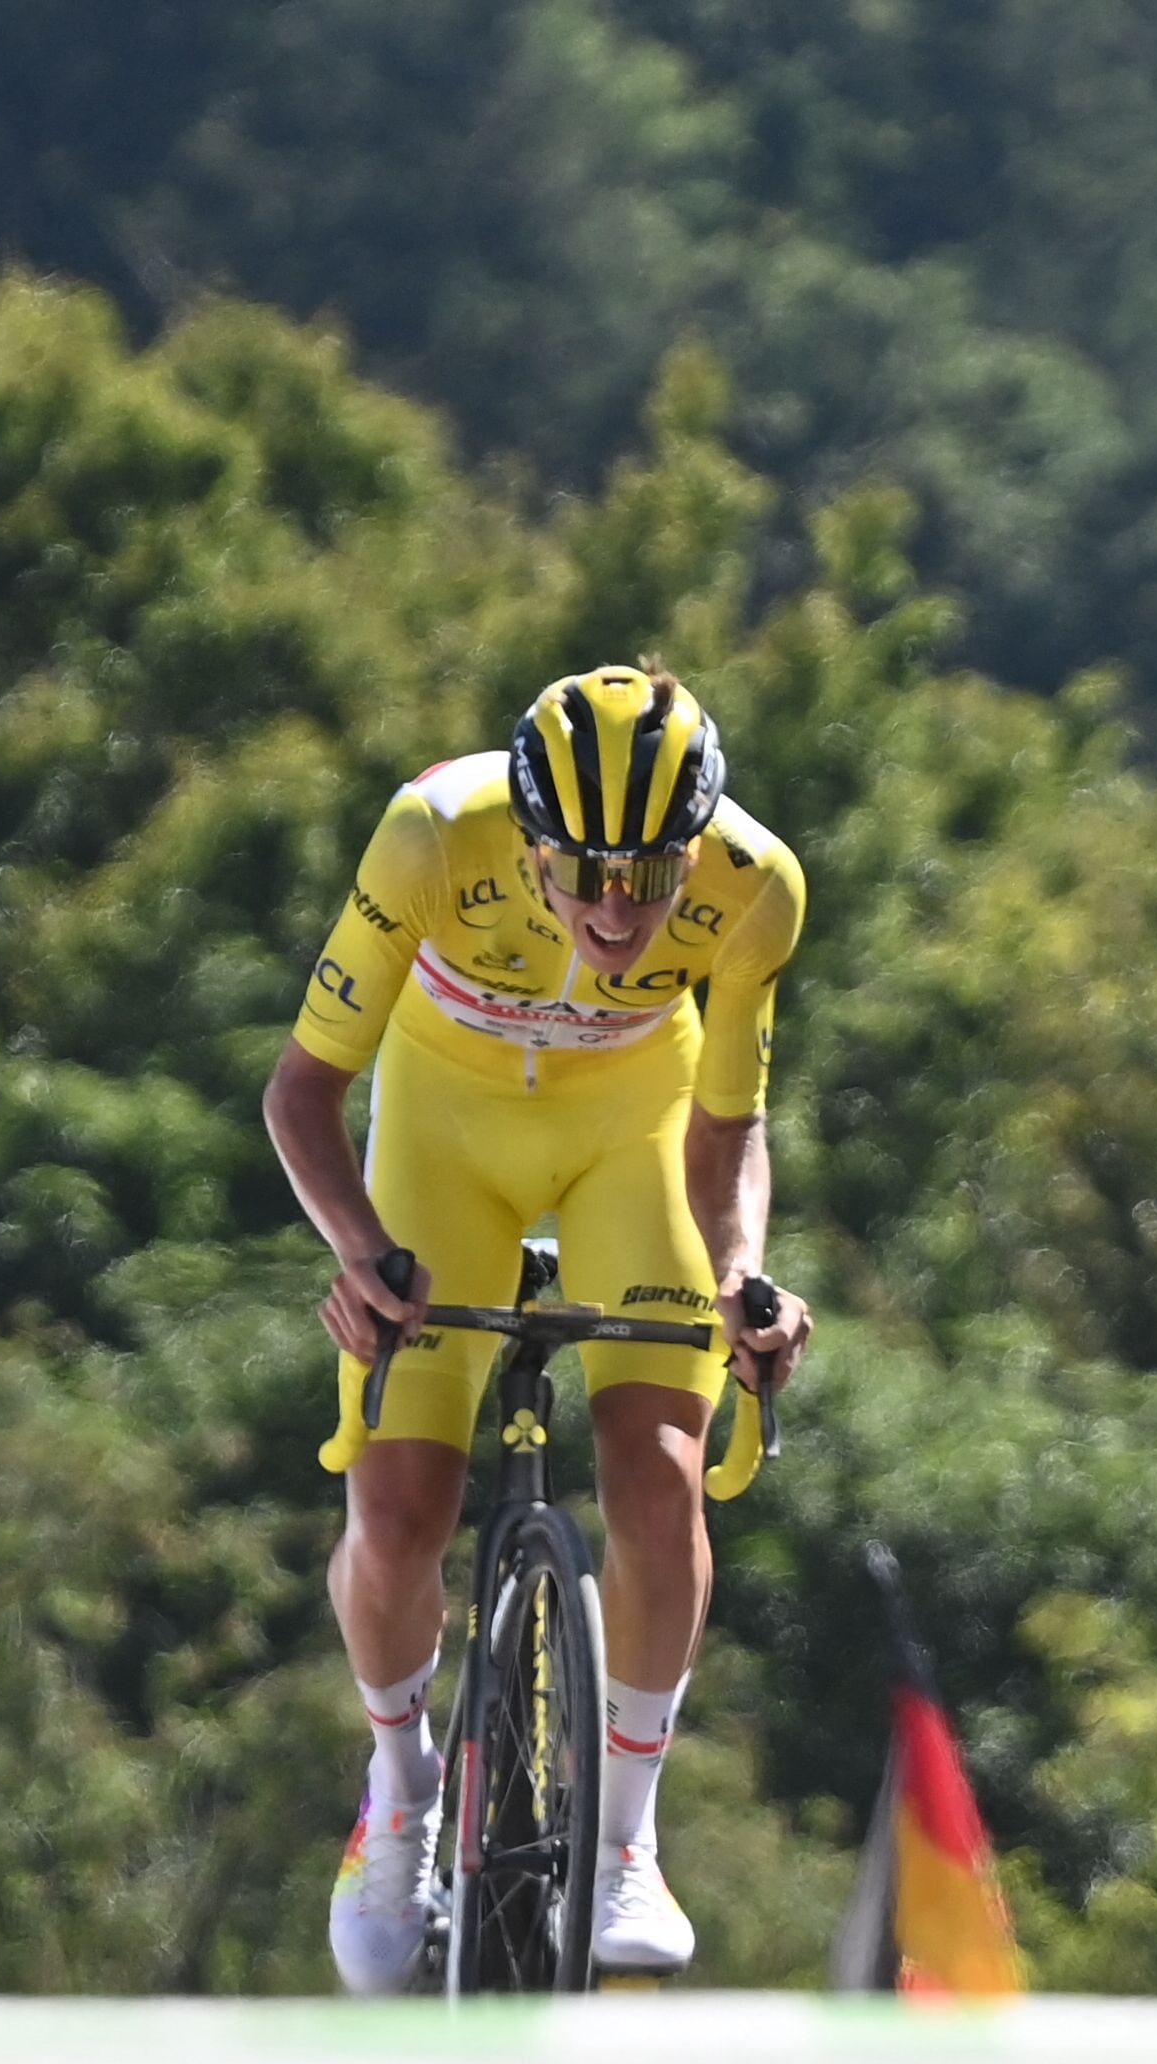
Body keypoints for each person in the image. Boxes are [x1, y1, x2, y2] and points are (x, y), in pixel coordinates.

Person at [267, 664, 813, 1991]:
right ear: (526, 836)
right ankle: (396, 1792)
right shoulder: (430, 837)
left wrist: (744, 1275)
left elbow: (727, 1135)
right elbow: (302, 1095)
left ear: (701, 844)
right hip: (444, 1133)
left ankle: (625, 1841)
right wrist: (358, 1255)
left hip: (634, 1133)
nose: (618, 908)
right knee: (399, 1517)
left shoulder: (757, 887)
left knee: (660, 1476)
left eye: (653, 872)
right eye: (582, 869)